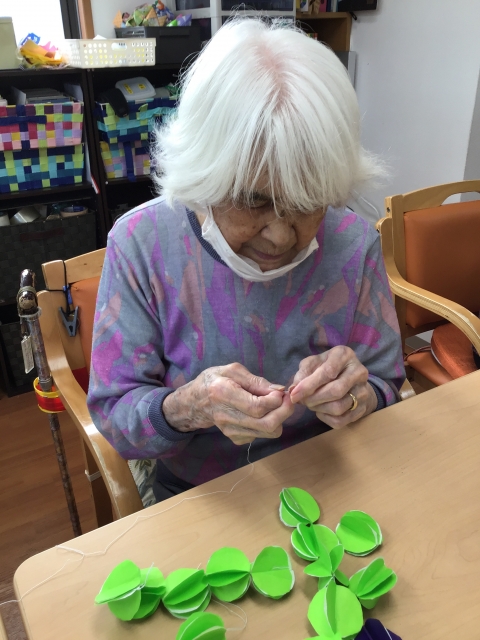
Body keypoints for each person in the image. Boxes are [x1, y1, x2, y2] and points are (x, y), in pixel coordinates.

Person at [87, 19, 405, 503]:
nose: (280, 235)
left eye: (307, 202)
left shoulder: (354, 243)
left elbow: (386, 380)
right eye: (252, 201)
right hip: (202, 494)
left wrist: (358, 396)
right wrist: (188, 408)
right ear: (204, 177)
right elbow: (116, 419)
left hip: (329, 473)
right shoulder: (141, 243)